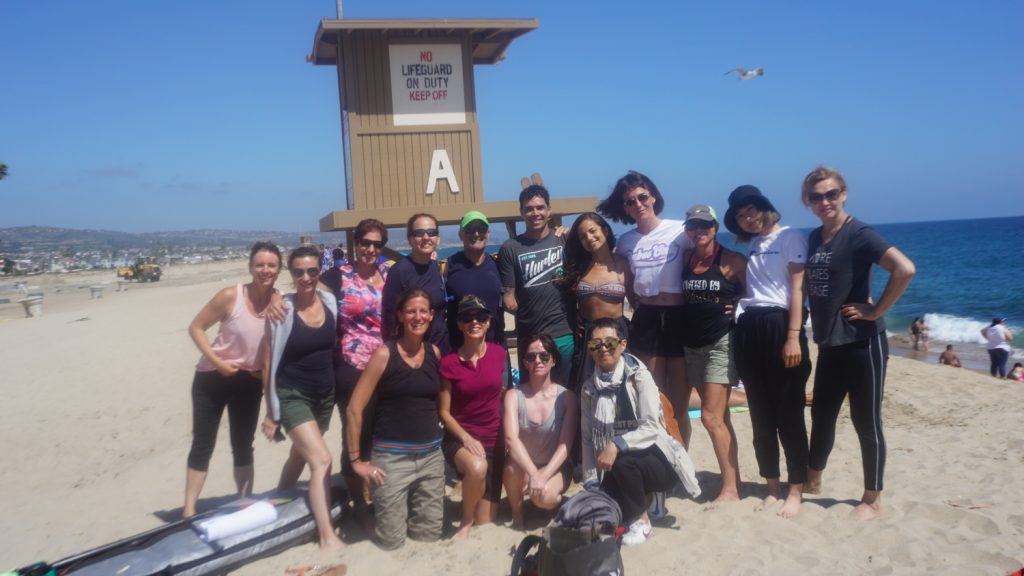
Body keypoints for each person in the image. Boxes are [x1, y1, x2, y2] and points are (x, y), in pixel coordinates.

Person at [801, 166, 916, 521]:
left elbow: (904, 269)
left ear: (844, 194)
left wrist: (876, 310)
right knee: (822, 415)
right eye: (817, 197)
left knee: (866, 421)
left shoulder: (859, 233)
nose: (825, 202)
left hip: (863, 342)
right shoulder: (815, 237)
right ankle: (813, 478)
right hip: (829, 343)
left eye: (831, 194)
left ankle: (872, 498)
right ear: (808, 202)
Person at [724, 185, 812, 518]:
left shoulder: (790, 237)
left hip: (780, 325)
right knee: (760, 414)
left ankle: (796, 489)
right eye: (740, 215)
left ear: (764, 207)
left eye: (751, 210)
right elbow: (755, 289)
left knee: (789, 414)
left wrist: (793, 336)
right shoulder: (754, 245)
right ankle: (772, 487)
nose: (747, 218)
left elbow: (798, 289)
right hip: (750, 327)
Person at [579, 318, 701, 546]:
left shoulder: (639, 376)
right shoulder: (589, 388)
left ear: (623, 345)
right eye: (596, 344)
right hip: (616, 468)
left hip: (658, 460)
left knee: (622, 459)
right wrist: (591, 482)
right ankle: (646, 497)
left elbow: (650, 426)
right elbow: (587, 439)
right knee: (596, 514)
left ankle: (642, 522)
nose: (603, 349)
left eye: (610, 343)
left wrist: (616, 444)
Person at [183, 242, 282, 518]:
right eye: (260, 265)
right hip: (211, 379)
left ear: (279, 270)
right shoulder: (230, 296)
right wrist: (217, 362)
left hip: (249, 382)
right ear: (250, 267)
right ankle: (188, 511)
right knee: (203, 444)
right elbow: (196, 328)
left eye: (271, 265)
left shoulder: (280, 302)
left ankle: (243, 502)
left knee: (243, 444)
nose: (265, 270)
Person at [597, 171, 693, 445]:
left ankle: (681, 458)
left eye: (642, 197)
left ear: (653, 197)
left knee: (680, 405)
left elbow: (705, 264)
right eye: (630, 201)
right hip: (647, 318)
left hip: (680, 317)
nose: (638, 204)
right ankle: (662, 457)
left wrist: (725, 301)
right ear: (625, 208)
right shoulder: (626, 242)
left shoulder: (680, 231)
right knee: (655, 399)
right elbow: (618, 273)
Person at [346, 288, 444, 550]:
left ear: (431, 315)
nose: (417, 317)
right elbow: (354, 408)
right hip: (391, 459)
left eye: (423, 311)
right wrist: (356, 461)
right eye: (411, 311)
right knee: (391, 541)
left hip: (430, 458)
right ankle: (363, 514)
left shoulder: (434, 353)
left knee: (429, 535)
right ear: (400, 315)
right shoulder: (384, 354)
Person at [262, 246, 343, 550]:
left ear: (319, 271)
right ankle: (327, 536)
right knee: (321, 460)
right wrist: (272, 412)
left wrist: (276, 294)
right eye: (298, 272)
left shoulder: (329, 301)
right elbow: (268, 364)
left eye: (312, 271)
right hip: (292, 394)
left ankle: (277, 500)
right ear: (291, 273)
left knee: (300, 454)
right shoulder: (281, 312)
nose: (306, 277)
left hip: (325, 395)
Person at [319, 219, 390, 525]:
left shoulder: (388, 274)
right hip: (351, 365)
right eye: (365, 243)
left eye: (376, 244)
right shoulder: (337, 276)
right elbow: (307, 299)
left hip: (385, 364)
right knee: (355, 430)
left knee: (379, 431)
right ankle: (360, 503)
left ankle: (375, 492)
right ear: (356, 243)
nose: (370, 249)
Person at [679, 204, 745, 506]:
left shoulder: (732, 261)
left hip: (721, 342)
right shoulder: (686, 259)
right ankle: (733, 480)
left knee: (710, 417)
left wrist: (739, 305)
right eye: (693, 226)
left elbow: (758, 293)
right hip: (692, 345)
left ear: (716, 228)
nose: (699, 231)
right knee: (721, 417)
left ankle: (730, 490)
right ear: (687, 231)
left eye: (705, 225)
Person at [438, 295, 508, 539]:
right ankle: (465, 522)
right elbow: (443, 412)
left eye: (479, 317)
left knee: (486, 520)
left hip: (493, 441)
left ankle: (470, 492)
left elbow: (505, 393)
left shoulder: (500, 354)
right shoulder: (449, 363)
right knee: (477, 467)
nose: (474, 321)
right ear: (459, 324)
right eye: (467, 317)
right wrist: (466, 438)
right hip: (460, 439)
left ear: (488, 322)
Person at [498, 185, 574, 384]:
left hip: (564, 334)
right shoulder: (510, 248)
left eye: (540, 207)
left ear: (549, 210)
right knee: (532, 395)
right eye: (529, 209)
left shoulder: (564, 239)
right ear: (521, 212)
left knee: (567, 394)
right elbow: (509, 300)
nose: (535, 213)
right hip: (530, 338)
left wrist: (572, 231)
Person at [503, 333, 578, 529]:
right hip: (524, 465)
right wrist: (533, 473)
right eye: (531, 357)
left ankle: (551, 504)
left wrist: (543, 475)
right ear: (525, 363)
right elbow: (510, 439)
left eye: (544, 356)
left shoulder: (567, 398)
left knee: (544, 497)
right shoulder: (513, 395)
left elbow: (565, 446)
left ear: (553, 360)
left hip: (555, 466)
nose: (538, 361)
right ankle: (517, 514)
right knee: (510, 468)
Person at [561, 212, 631, 394]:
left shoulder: (622, 264)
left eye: (593, 231)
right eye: (582, 236)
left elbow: (635, 301)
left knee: (620, 383)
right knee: (588, 385)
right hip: (589, 335)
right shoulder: (578, 267)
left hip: (616, 332)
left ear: (605, 231)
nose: (589, 238)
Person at [381, 213, 449, 354]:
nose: (426, 237)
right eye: (419, 233)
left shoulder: (436, 267)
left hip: (441, 350)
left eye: (431, 232)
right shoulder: (399, 271)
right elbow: (389, 320)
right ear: (410, 239)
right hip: (413, 354)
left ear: (437, 238)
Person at [444, 210, 505, 349]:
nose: (476, 234)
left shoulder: (498, 264)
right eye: (470, 230)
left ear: (488, 233)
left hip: (495, 348)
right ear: (460, 234)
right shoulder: (448, 266)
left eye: (481, 229)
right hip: (458, 351)